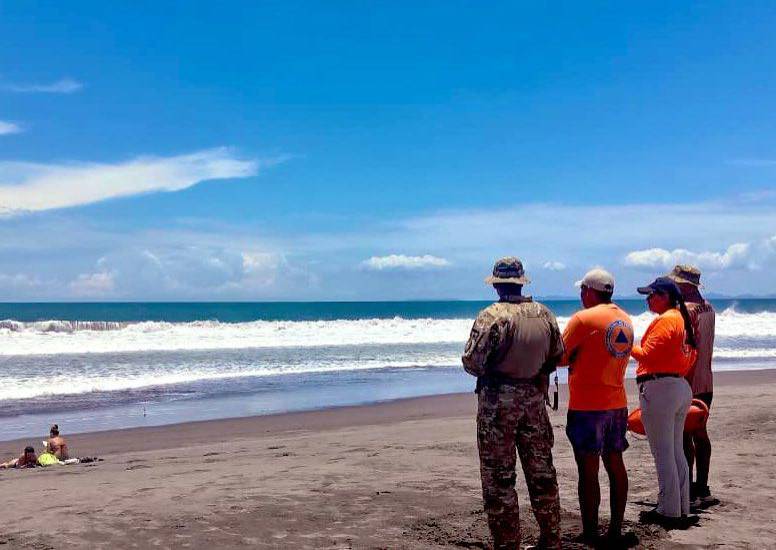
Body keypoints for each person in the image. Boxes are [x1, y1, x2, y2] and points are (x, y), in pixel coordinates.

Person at [462, 257, 564, 549]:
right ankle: (551, 539)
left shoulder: (491, 316)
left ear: (496, 284)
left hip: (498, 404)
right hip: (533, 399)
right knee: (542, 474)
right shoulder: (544, 314)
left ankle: (508, 544)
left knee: (499, 480)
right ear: (521, 282)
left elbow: (472, 362)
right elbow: (557, 355)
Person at [559, 268, 637, 548]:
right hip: (617, 401)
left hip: (587, 405)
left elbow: (559, 356)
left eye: (582, 290)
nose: (581, 295)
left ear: (590, 291)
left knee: (588, 470)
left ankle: (591, 531)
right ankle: (615, 529)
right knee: (615, 464)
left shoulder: (583, 319)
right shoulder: (625, 320)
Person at [632, 277, 699, 528]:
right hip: (679, 386)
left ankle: (668, 511)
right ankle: (680, 506)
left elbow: (647, 355)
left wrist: (625, 345)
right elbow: (692, 355)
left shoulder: (665, 320)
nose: (647, 299)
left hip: (660, 387)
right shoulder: (681, 319)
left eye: (651, 295)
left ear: (665, 296)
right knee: (675, 451)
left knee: (663, 453)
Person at [666, 265, 717, 507]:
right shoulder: (709, 307)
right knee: (701, 434)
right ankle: (702, 487)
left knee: (685, 436)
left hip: (689, 380)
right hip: (707, 380)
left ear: (684, 285)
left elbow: (685, 347)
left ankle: (688, 492)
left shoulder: (684, 310)